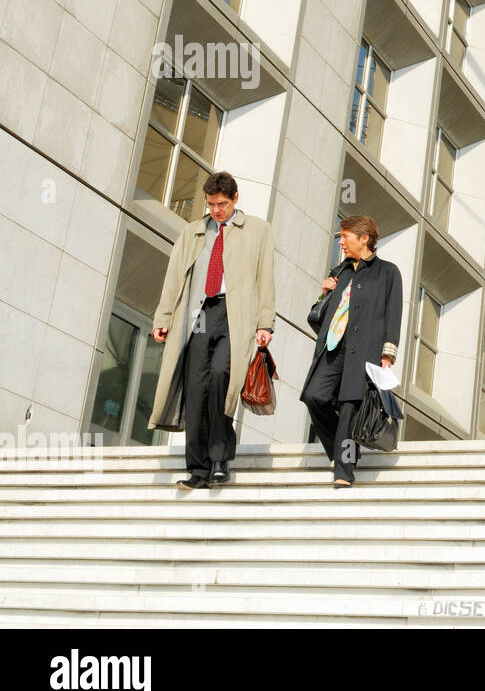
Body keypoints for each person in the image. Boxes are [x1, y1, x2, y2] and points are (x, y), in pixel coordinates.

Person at [149, 172, 276, 489]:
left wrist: (265, 322)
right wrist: (163, 317)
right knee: (195, 389)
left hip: (234, 315)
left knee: (222, 377)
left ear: (235, 199)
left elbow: (266, 279)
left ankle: (219, 458)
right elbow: (173, 276)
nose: (216, 210)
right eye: (210, 204)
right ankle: (197, 469)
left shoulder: (257, 230)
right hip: (197, 315)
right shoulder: (193, 232)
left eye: (221, 203)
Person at [302, 215, 403, 487]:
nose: (341, 241)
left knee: (348, 408)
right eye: (340, 236)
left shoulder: (387, 272)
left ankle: (343, 472)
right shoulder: (340, 271)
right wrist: (324, 294)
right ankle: (342, 449)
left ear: (364, 238)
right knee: (314, 396)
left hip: (365, 350)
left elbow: (393, 314)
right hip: (333, 348)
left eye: (345, 236)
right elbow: (318, 316)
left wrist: (387, 354)